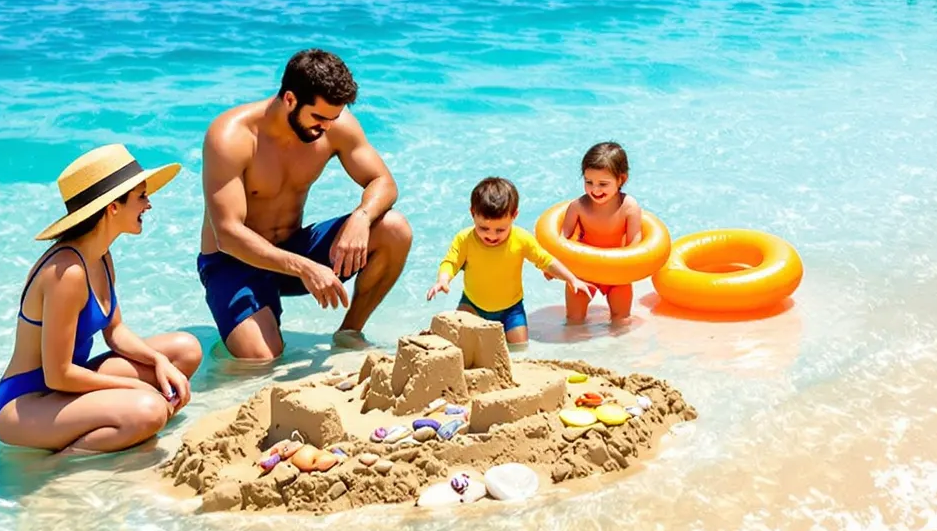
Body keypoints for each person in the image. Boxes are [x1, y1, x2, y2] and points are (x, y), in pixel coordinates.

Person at [198, 48, 415, 362]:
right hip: (233, 261)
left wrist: (362, 216)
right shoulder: (232, 136)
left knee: (394, 228)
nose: (327, 127)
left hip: (294, 249)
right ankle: (239, 329)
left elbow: (383, 181)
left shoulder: (333, 123)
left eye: (334, 118)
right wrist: (305, 267)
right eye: (319, 117)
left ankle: (348, 333)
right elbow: (227, 235)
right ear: (289, 99)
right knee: (260, 358)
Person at [0, 144, 204, 453]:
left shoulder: (100, 256)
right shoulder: (67, 273)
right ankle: (53, 469)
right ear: (112, 207)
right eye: (142, 196)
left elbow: (115, 331)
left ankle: (120, 430)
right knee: (151, 409)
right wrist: (133, 386)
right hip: (28, 403)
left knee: (184, 351)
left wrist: (158, 361)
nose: (149, 205)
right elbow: (58, 375)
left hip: (65, 388)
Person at [429, 176, 590, 345]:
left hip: (511, 310)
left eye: (500, 230)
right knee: (458, 341)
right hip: (472, 306)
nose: (491, 235)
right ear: (472, 214)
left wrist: (571, 279)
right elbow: (450, 262)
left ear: (514, 216)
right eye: (483, 228)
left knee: (520, 347)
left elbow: (546, 260)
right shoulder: (465, 239)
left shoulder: (521, 239)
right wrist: (443, 280)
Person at [557, 141, 645, 324]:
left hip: (616, 274)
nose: (595, 190)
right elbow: (561, 241)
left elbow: (635, 247)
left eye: (603, 184)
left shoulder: (629, 207)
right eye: (588, 182)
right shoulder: (578, 207)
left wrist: (630, 270)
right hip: (583, 271)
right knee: (574, 321)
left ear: (622, 179)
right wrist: (552, 266)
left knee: (621, 322)